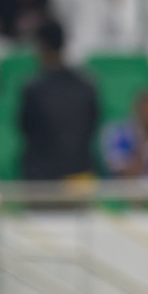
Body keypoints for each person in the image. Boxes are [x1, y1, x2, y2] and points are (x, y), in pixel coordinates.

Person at [18, 20, 100, 181]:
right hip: (79, 174)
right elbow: (94, 124)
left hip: (42, 180)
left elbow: (24, 127)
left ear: (42, 46)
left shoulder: (34, 89)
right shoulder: (86, 86)